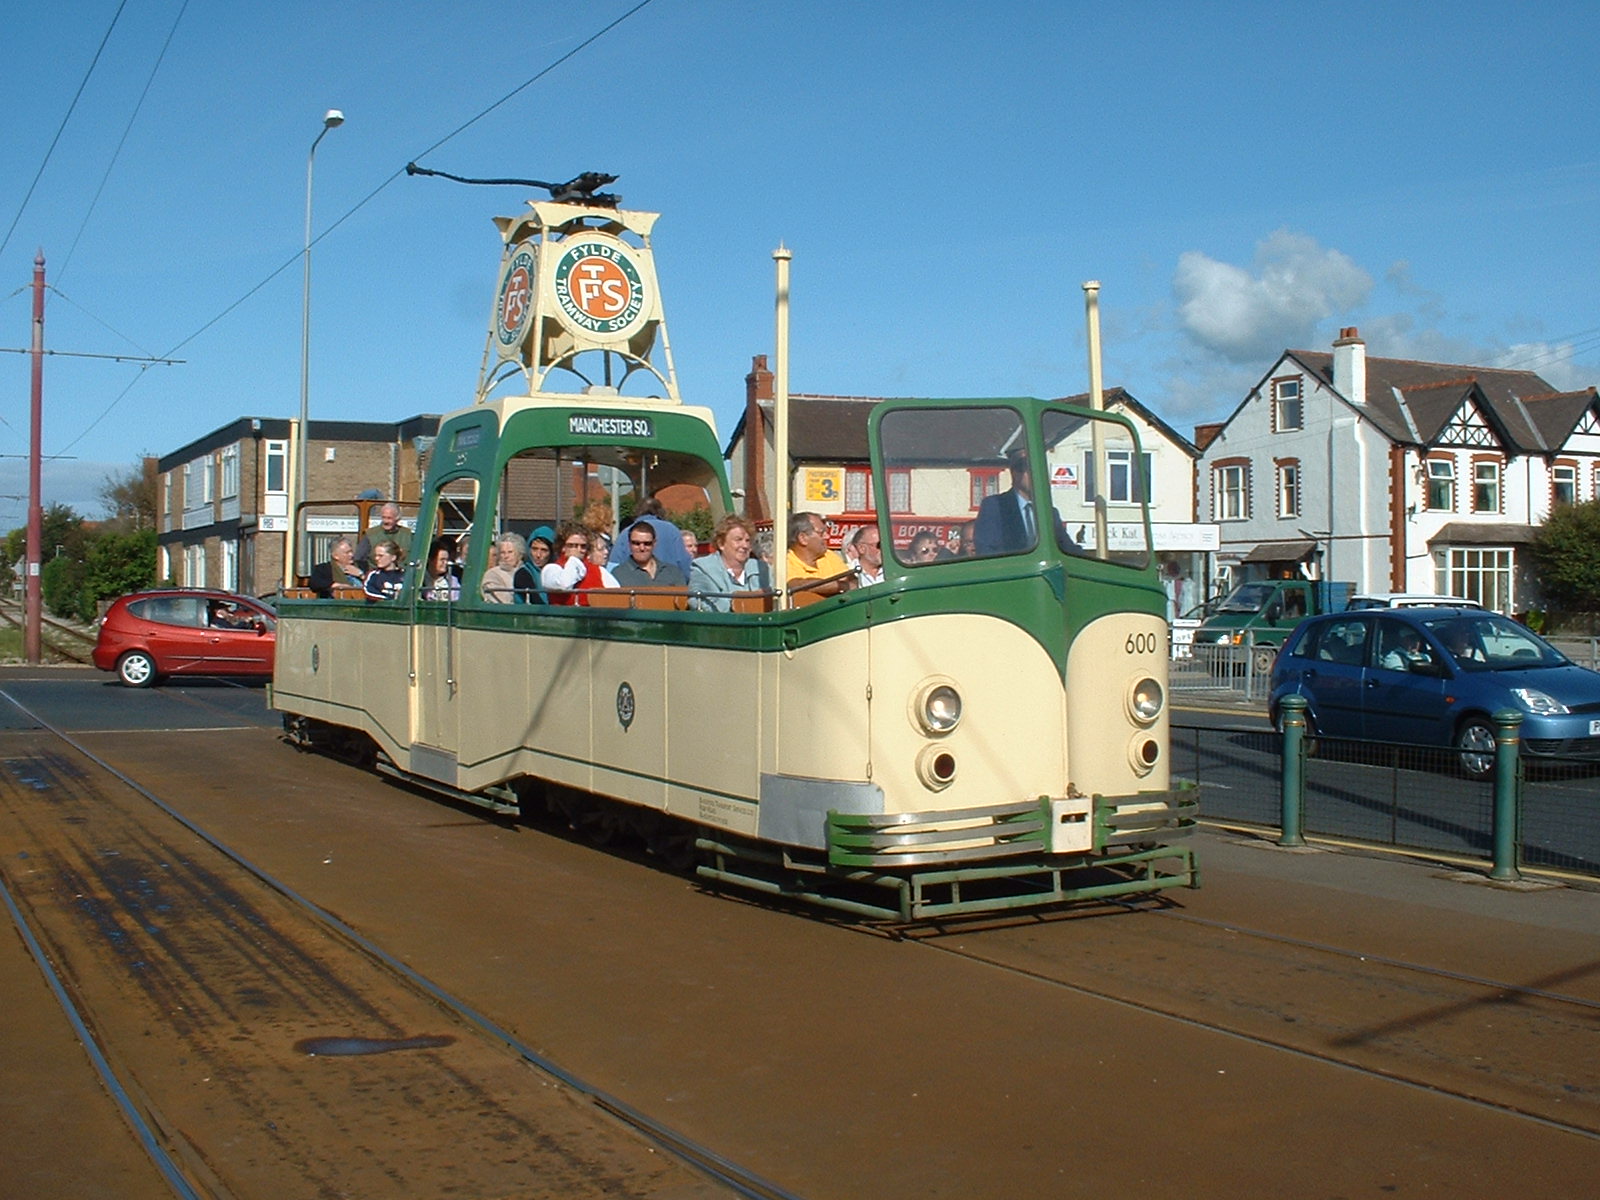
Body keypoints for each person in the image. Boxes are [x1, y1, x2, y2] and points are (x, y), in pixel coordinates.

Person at [973, 445, 1073, 556]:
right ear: (1016, 473)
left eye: (1041, 471)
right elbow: (986, 550)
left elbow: (1069, 549)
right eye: (1031, 470)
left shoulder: (1050, 512)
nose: (1038, 476)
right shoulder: (995, 507)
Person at [689, 515, 772, 611]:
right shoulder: (702, 569)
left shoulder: (762, 568)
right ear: (721, 544)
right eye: (738, 540)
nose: (745, 545)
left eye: (747, 540)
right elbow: (703, 605)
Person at [606, 497, 696, 581]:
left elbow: (613, 567)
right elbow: (683, 564)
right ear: (660, 511)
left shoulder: (627, 532)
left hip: (634, 587)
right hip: (669, 587)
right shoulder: (672, 530)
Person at [541, 522, 612, 605]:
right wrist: (574, 559)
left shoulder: (599, 571)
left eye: (583, 546)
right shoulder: (551, 569)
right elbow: (564, 585)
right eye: (572, 545)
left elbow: (617, 594)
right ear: (563, 547)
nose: (578, 550)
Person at [785, 511, 853, 598]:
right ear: (803, 538)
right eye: (821, 533)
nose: (827, 536)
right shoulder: (786, 561)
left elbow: (851, 581)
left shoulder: (829, 556)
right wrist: (839, 586)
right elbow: (794, 585)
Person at [612, 521, 688, 588]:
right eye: (636, 543)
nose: (642, 548)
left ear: (654, 544)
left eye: (647, 543)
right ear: (629, 544)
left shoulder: (673, 573)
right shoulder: (618, 575)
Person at [482, 531, 538, 602]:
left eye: (510, 552)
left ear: (519, 554)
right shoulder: (492, 574)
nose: (506, 556)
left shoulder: (528, 571)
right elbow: (506, 600)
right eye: (503, 552)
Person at [354, 502, 412, 570]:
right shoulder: (371, 534)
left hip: (403, 574)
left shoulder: (407, 535)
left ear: (397, 519)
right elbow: (359, 558)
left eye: (389, 518)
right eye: (384, 517)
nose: (386, 521)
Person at [420, 537, 460, 601]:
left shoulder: (452, 582)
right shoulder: (420, 580)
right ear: (431, 560)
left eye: (447, 559)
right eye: (442, 560)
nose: (446, 563)